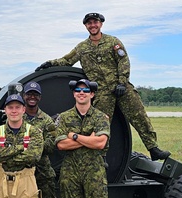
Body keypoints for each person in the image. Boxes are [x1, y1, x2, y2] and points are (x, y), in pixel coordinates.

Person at [37, 12, 170, 161]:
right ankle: (102, 158)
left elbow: (123, 61)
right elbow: (67, 60)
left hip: (121, 87)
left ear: (100, 24)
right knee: (100, 124)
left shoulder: (113, 42)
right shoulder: (82, 48)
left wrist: (122, 82)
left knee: (139, 115)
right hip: (102, 92)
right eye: (89, 23)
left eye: (95, 22)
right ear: (86, 26)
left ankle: (153, 148)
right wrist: (50, 63)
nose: (93, 25)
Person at [21, 81, 64, 198]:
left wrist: (29, 146)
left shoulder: (47, 121)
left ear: (39, 97)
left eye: (35, 94)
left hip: (42, 175)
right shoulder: (16, 117)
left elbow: (51, 145)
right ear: (24, 96)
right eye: (28, 94)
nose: (32, 97)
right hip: (20, 174)